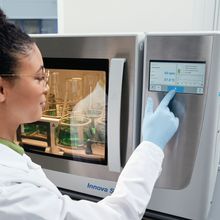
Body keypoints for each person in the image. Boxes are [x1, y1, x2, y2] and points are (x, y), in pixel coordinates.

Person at [0, 8, 179, 220]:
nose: (47, 87)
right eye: (39, 77)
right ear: (2, 89)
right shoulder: (10, 193)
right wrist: (152, 146)